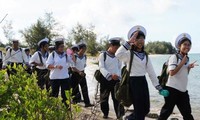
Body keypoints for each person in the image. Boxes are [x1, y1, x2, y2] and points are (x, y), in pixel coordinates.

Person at [115, 25, 169, 120]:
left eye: (142, 38)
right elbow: (118, 54)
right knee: (139, 110)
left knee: (145, 109)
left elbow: (151, 73)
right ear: (133, 41)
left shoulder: (145, 55)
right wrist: (129, 42)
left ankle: (128, 118)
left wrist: (159, 88)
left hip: (143, 82)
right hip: (133, 82)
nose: (140, 41)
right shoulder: (129, 54)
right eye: (137, 38)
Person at [158, 33, 197, 120]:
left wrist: (188, 67)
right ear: (179, 46)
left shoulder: (186, 58)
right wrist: (182, 63)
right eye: (185, 44)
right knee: (166, 113)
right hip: (172, 89)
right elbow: (172, 73)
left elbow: (184, 75)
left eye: (189, 45)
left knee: (187, 114)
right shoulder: (174, 57)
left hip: (182, 91)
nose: (187, 47)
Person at [98, 37, 125, 119]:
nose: (116, 50)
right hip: (105, 80)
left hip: (116, 80)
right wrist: (110, 75)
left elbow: (119, 67)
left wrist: (117, 75)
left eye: (118, 48)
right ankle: (105, 113)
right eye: (115, 48)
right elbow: (101, 67)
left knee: (117, 98)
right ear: (110, 45)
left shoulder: (118, 56)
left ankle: (119, 115)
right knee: (104, 98)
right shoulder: (103, 55)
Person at [46, 38, 75, 105]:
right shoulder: (52, 54)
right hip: (54, 78)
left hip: (64, 78)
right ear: (57, 47)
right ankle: (54, 110)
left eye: (63, 46)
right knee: (54, 95)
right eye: (61, 46)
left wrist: (71, 53)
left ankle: (66, 110)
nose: (62, 48)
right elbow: (47, 65)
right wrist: (55, 67)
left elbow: (72, 61)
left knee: (65, 96)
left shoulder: (65, 55)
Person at [71, 42, 94, 107]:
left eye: (85, 49)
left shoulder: (85, 56)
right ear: (79, 49)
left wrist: (82, 72)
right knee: (75, 88)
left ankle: (87, 103)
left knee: (84, 88)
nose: (84, 51)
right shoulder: (75, 56)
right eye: (83, 49)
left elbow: (84, 65)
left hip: (82, 73)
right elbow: (73, 67)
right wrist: (79, 72)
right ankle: (74, 101)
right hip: (75, 74)